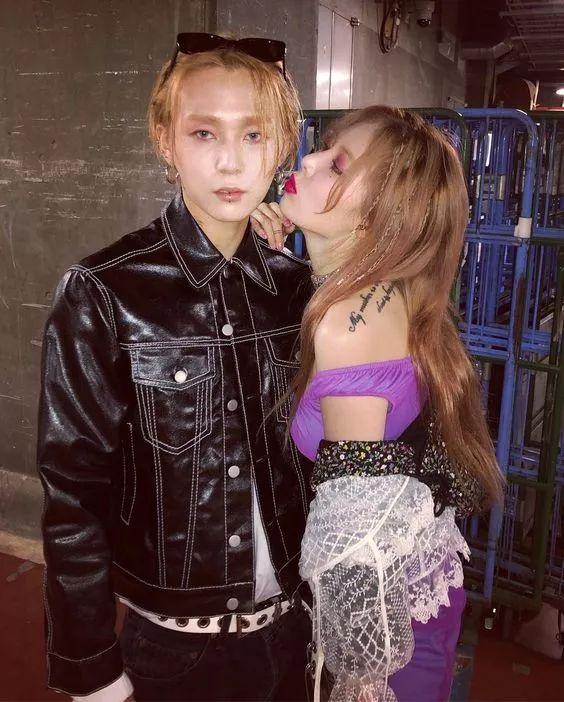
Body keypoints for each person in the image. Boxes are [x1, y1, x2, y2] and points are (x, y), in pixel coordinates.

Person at [37, 34, 314, 702]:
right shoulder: (104, 291)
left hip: (294, 633)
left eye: (254, 135)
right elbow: (73, 495)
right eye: (203, 132)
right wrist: (91, 667)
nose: (231, 160)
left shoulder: (298, 287)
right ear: (166, 141)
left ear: (282, 145)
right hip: (174, 650)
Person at [253, 106, 504, 702]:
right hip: (419, 594)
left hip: (392, 632)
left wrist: (358, 683)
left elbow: (355, 542)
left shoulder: (349, 324)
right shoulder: (384, 290)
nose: (308, 161)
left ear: (380, 214)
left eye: (338, 165)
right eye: (323, 148)